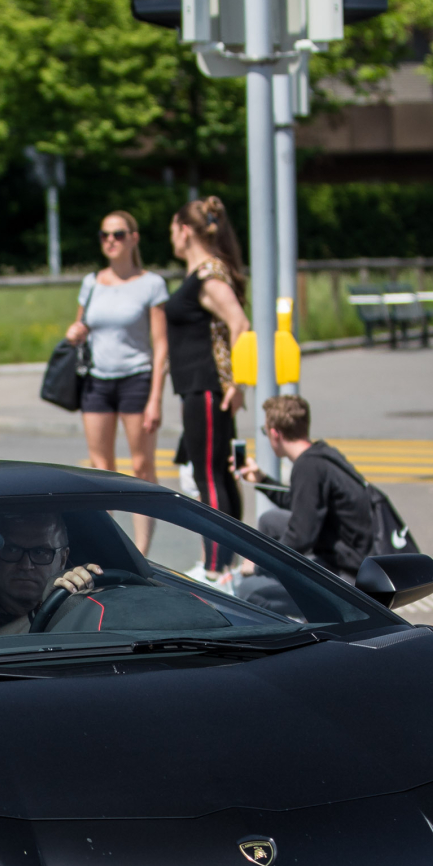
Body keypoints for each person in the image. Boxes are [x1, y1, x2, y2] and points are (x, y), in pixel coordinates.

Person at [65, 210, 168, 550]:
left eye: (118, 234)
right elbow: (80, 328)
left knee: (141, 465)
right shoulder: (92, 282)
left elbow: (160, 345)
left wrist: (156, 397)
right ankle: (107, 546)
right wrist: (74, 332)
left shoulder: (151, 284)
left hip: (136, 379)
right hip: (97, 382)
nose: (110, 240)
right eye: (105, 235)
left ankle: (142, 551)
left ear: (134, 238)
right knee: (101, 468)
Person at [161, 197, 252, 579]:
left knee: (210, 475)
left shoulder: (209, 274)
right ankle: (221, 564)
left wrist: (238, 383)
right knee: (215, 473)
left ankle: (217, 568)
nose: (171, 238)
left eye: (171, 230)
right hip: (198, 387)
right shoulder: (203, 272)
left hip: (209, 386)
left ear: (184, 229)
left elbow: (240, 323)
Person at [243, 395, 377, 578]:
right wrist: (262, 480)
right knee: (270, 520)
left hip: (348, 568)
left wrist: (260, 567)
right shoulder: (322, 454)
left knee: (251, 590)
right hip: (351, 548)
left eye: (265, 432)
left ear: (275, 434)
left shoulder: (307, 467)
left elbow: (300, 537)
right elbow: (303, 504)